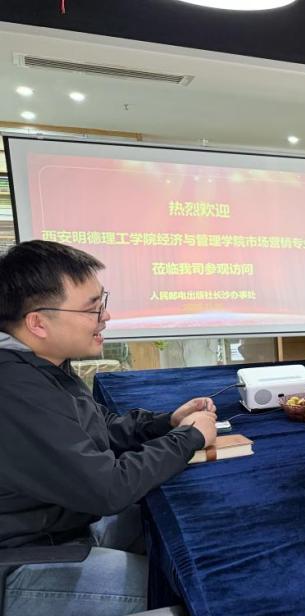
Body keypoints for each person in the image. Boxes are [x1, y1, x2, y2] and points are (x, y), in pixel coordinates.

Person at [0, 240, 218, 615]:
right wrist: (189, 438)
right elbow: (108, 489)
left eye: (102, 302)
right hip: (26, 558)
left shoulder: (41, 363)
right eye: (92, 309)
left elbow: (101, 429)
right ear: (38, 323)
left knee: (194, 532)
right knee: (199, 589)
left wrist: (167, 422)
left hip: (64, 524)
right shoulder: (15, 388)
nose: (106, 316)